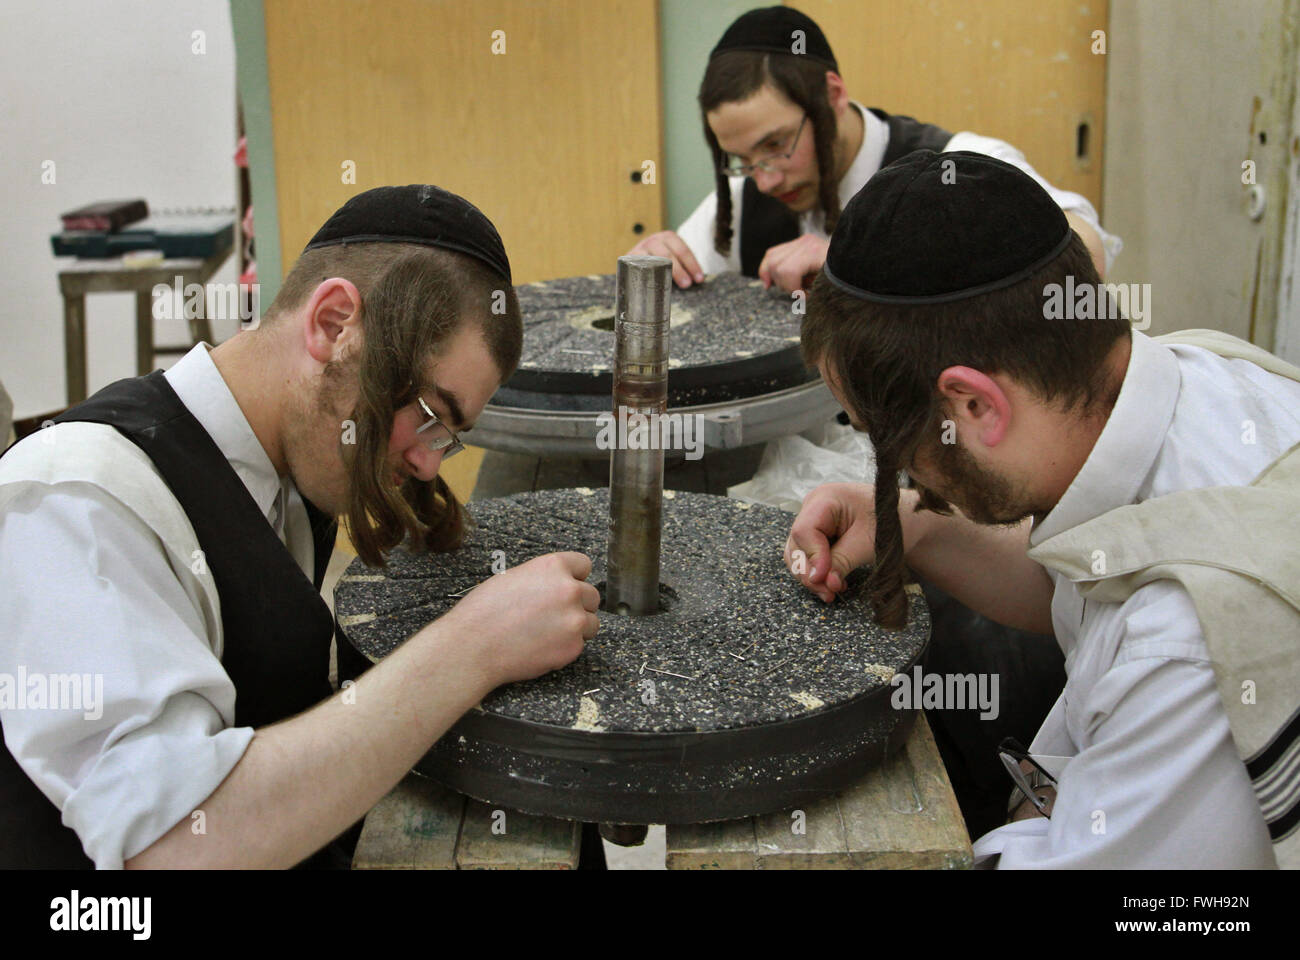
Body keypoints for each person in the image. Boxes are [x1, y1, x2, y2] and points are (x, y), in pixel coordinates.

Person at [0, 185, 599, 869]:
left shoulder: (281, 469)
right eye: (431, 416)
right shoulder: (77, 496)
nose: (430, 465)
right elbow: (169, 848)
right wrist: (473, 648)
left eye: (449, 437)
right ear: (335, 323)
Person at [787, 149, 1300, 867]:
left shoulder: (1190, 644)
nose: (894, 466)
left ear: (973, 404)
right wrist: (912, 525)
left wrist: (1039, 810)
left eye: (889, 440)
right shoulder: (1206, 375)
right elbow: (1091, 581)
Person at [629, 5, 1117, 293]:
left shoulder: (956, 166)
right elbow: (679, 298)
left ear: (833, 95)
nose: (765, 179)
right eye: (741, 160)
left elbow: (1080, 257)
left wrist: (861, 260)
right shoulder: (742, 201)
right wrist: (654, 267)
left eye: (776, 145)